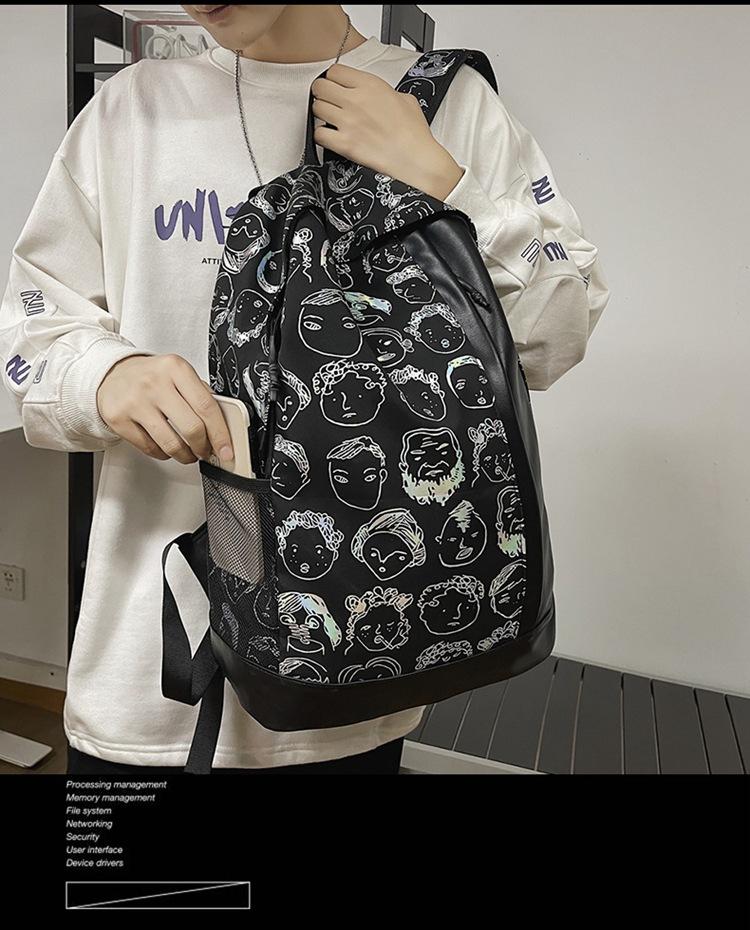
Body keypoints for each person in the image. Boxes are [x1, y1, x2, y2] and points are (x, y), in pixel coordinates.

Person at [0, 4, 610, 774]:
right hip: (144, 681)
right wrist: (103, 375)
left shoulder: (447, 103)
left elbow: (555, 335)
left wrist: (444, 186)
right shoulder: (131, 110)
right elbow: (31, 327)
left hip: (357, 686)